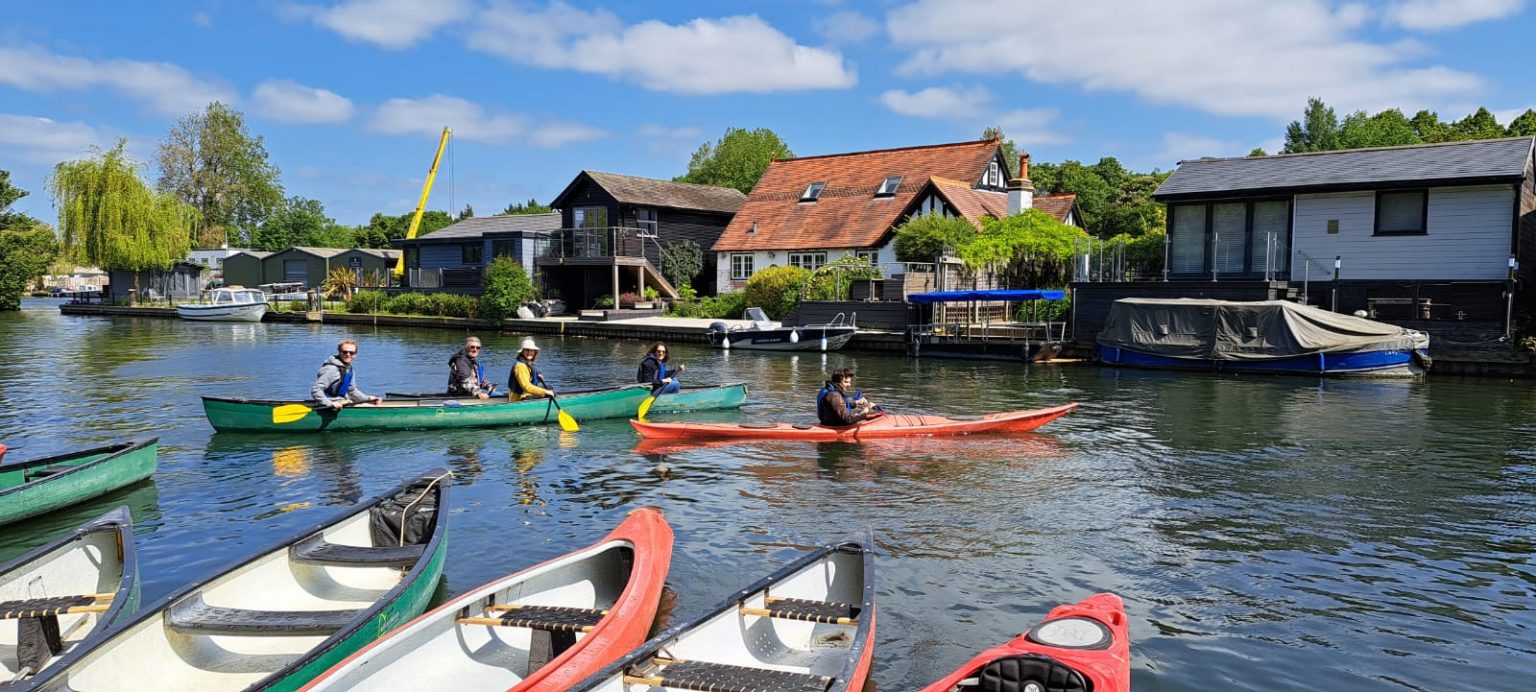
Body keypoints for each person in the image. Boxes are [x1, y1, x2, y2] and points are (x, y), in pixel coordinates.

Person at [312, 338, 383, 408]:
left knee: (376, 404)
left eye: (351, 353)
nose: (348, 354)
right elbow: (316, 390)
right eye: (345, 352)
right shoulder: (331, 369)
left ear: (355, 354)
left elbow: (352, 391)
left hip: (342, 402)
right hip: (330, 406)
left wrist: (369, 398)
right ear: (339, 352)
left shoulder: (348, 369)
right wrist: (329, 403)